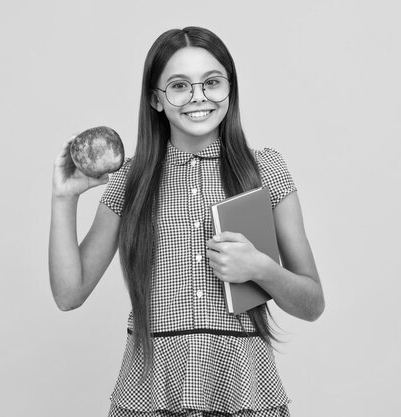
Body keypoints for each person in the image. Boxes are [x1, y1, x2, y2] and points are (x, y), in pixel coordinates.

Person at [49, 26, 325, 417]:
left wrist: (261, 269)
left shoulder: (265, 170)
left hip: (245, 388)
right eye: (179, 86)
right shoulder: (131, 179)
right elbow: (68, 294)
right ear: (156, 100)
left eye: (212, 82)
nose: (199, 97)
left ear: (230, 88)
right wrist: (64, 199)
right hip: (150, 391)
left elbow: (312, 304)